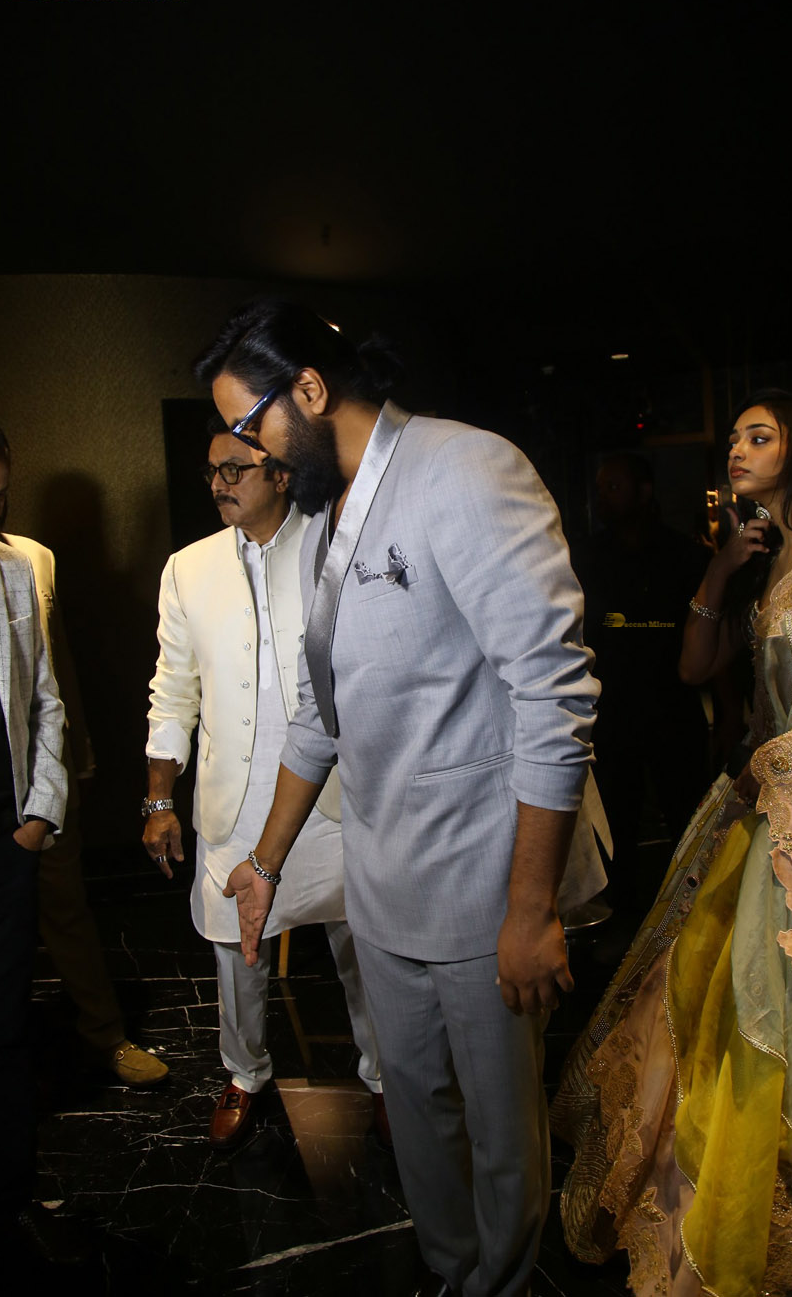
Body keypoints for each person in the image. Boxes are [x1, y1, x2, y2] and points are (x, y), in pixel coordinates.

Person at [196, 298, 605, 1297]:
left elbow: (553, 697)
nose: (248, 454)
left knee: (501, 1132)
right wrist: (264, 862)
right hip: (381, 891)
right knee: (420, 1120)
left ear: (308, 389)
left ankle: (501, 1281)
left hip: (482, 889)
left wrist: (530, 909)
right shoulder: (325, 519)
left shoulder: (466, 469)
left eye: (248, 427)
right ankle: (451, 1269)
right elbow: (320, 715)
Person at [551, 390, 792, 1295]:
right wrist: (723, 570)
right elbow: (695, 667)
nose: (737, 448)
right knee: (717, 1008)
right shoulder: (763, 563)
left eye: (759, 436)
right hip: (757, 819)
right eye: (733, 437)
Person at [143, 419, 383, 1148]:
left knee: (363, 948)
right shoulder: (187, 568)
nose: (218, 485)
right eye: (211, 472)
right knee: (235, 950)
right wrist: (159, 797)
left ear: (280, 473)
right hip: (235, 798)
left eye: (234, 470)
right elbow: (172, 691)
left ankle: (385, 1075)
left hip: (334, 793)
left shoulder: (334, 545)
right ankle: (245, 1072)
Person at [0, 416, 168, 1088]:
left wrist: (70, 767)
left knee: (66, 908)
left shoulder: (27, 561)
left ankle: (105, 1034)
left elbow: (51, 674)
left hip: (37, 777)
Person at [0, 414, 69, 1247]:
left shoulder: (11, 570)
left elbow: (44, 699)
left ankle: (11, 1198)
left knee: (4, 1027)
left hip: (1, 846)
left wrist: (39, 814)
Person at [575, 454, 712, 921]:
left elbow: (713, 637)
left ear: (644, 491)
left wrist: (728, 715)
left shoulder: (686, 556)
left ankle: (694, 922)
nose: (603, 497)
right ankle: (625, 926)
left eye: (614, 487)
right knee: (617, 826)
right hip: (612, 715)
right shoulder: (587, 558)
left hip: (674, 711)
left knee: (688, 821)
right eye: (600, 489)